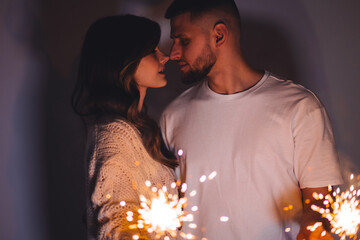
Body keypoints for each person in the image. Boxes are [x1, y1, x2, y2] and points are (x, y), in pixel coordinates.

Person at [160, 0, 343, 239]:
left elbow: (319, 208)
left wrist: (315, 229)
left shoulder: (299, 107)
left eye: (184, 41)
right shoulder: (173, 116)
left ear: (219, 34)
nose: (173, 53)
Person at [72, 15, 178, 239]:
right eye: (152, 51)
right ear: (123, 60)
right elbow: (115, 220)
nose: (165, 56)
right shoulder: (113, 135)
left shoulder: (134, 128)